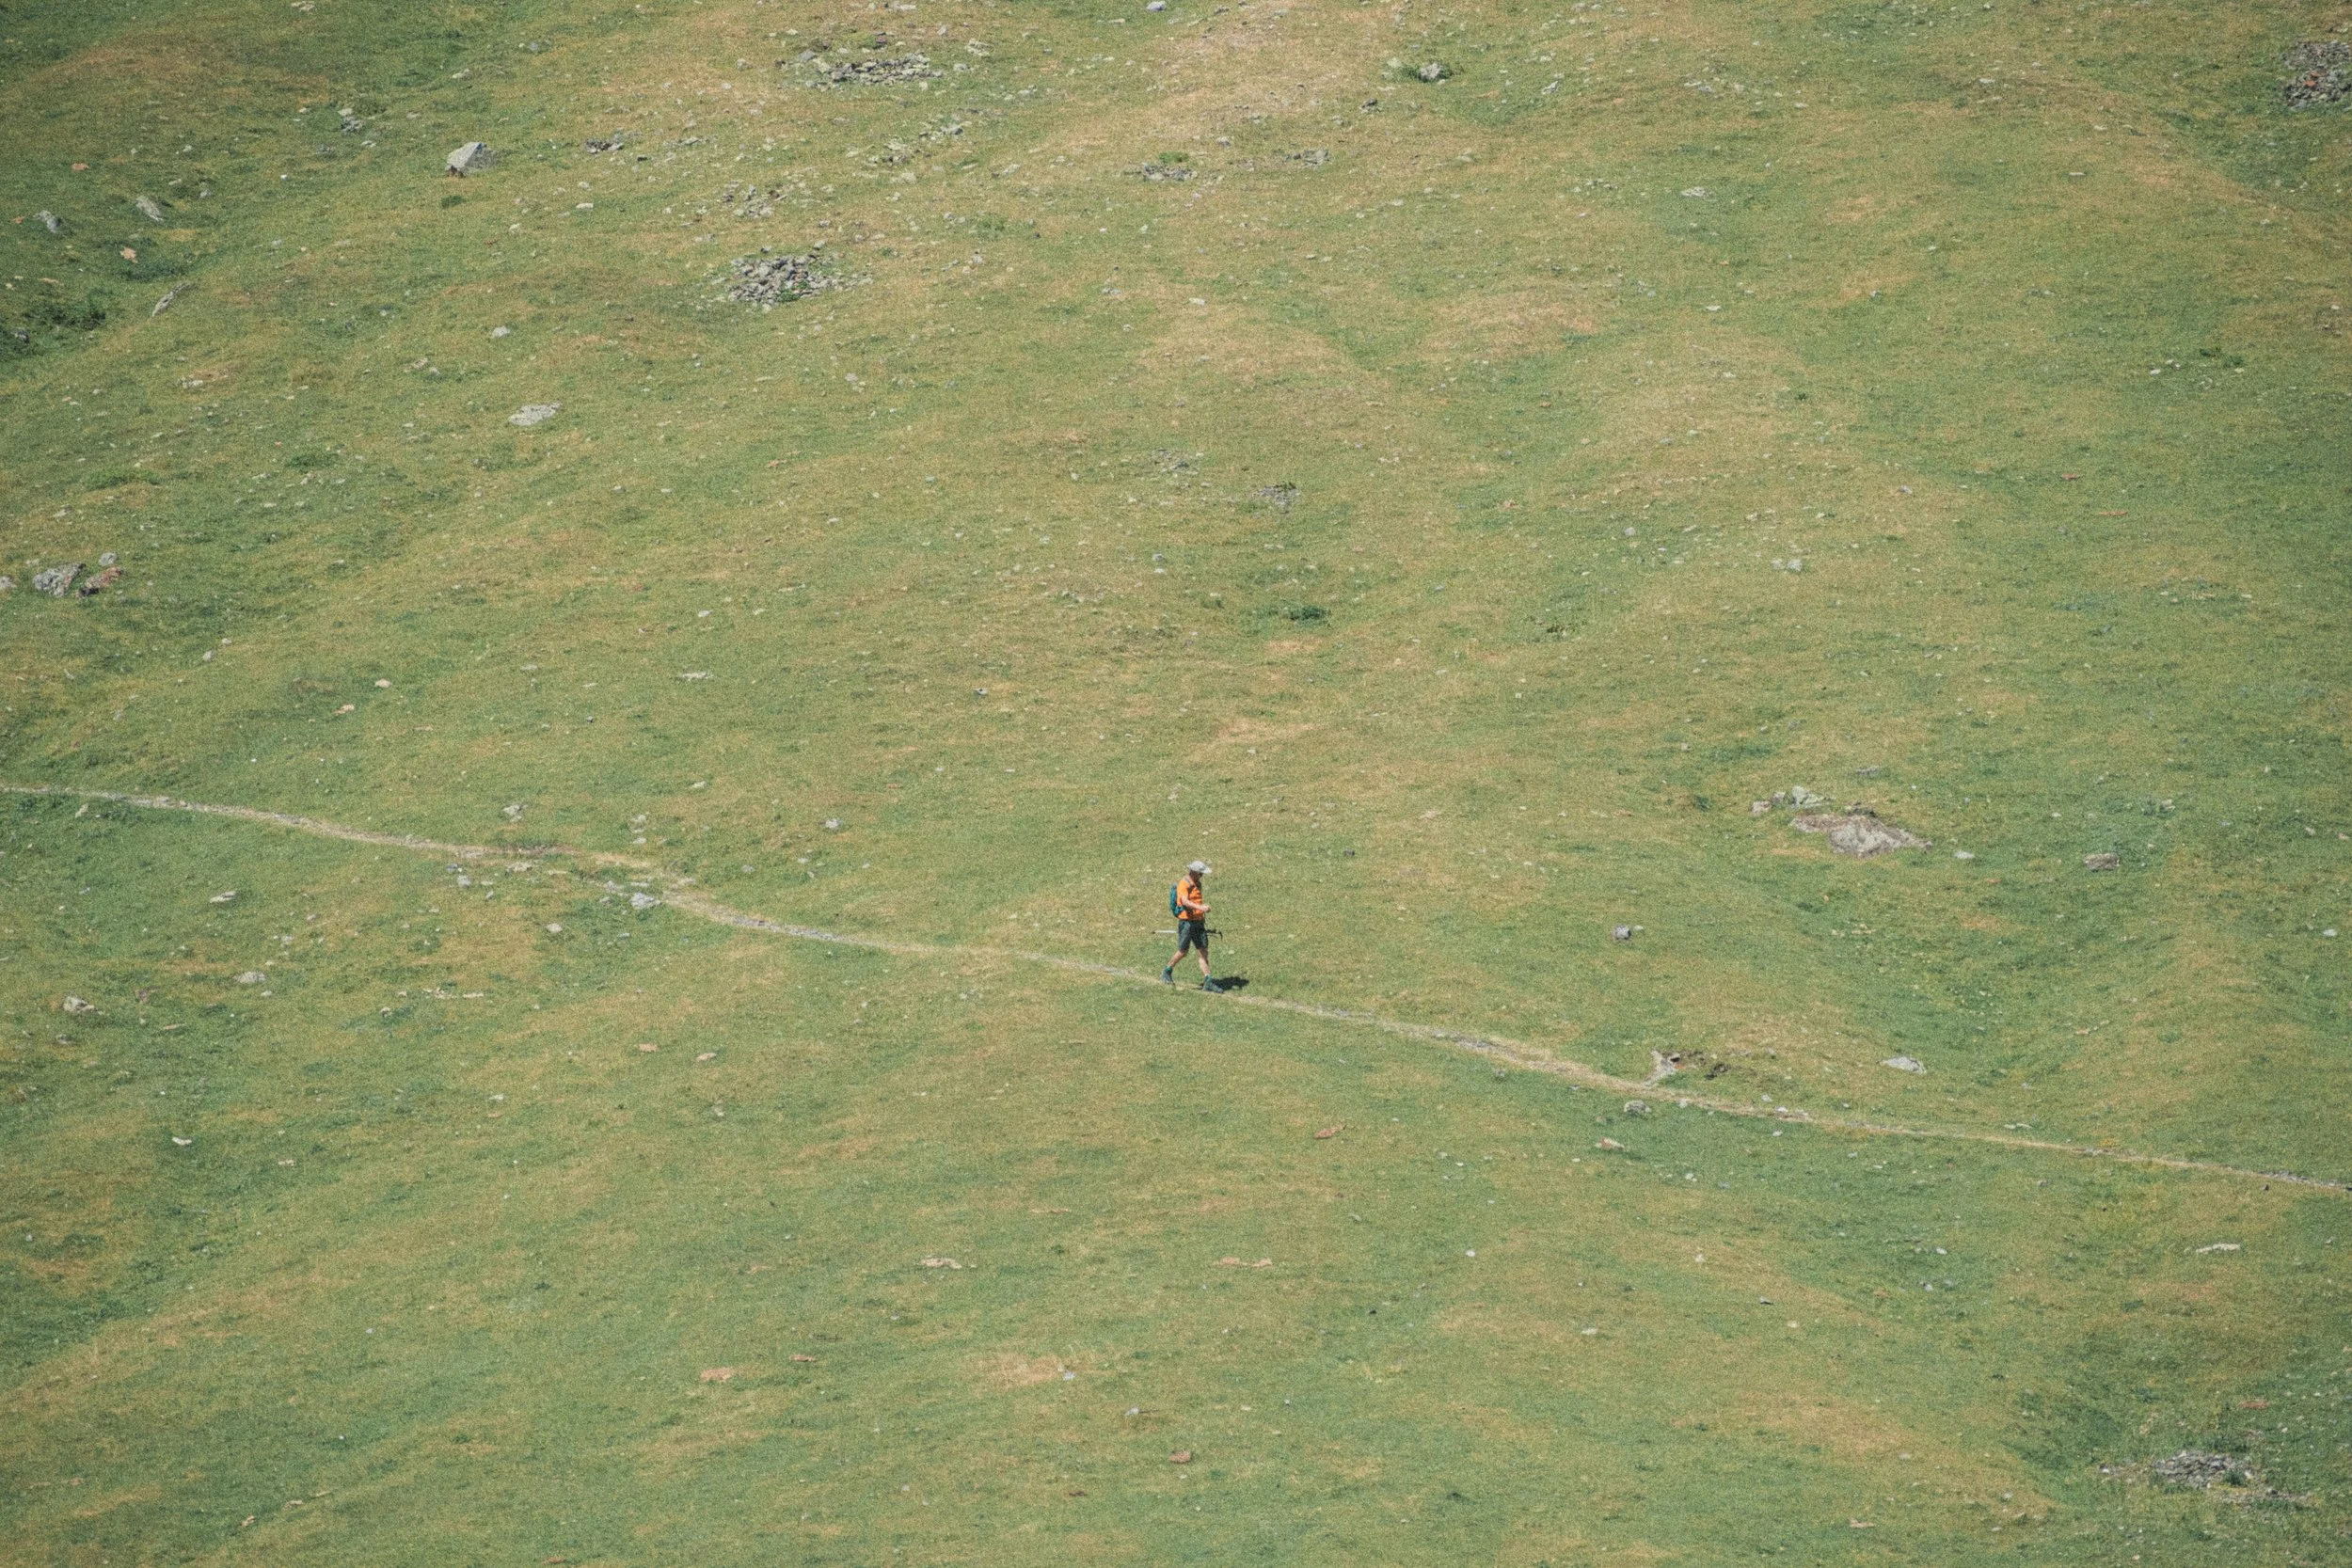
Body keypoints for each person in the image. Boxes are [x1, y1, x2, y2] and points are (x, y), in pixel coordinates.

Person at [1164, 860, 1223, 991]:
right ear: (1194, 872)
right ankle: (1167, 971)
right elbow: (1184, 901)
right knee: (1183, 951)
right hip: (1187, 923)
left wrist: (1200, 911)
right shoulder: (1184, 884)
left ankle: (1208, 981)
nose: (1202, 876)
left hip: (1198, 922)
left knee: (1203, 951)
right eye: (1200, 873)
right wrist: (1200, 908)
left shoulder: (1197, 883)